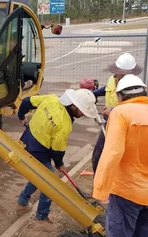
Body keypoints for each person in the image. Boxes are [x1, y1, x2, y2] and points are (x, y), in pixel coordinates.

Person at [93, 74, 148, 237]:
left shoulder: (120, 113)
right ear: (145, 94)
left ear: (120, 96)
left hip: (125, 192)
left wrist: (101, 189)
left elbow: (113, 152)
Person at [15, 89, 98, 231]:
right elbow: (57, 150)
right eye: (83, 111)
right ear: (75, 106)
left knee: (38, 176)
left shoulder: (51, 99)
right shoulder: (65, 124)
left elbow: (27, 101)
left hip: (27, 140)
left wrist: (21, 116)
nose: (83, 114)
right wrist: (59, 164)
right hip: (39, 150)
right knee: (50, 183)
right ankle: (41, 219)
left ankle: (22, 204)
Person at [91, 53, 143, 174]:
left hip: (124, 127)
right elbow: (106, 88)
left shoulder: (135, 87)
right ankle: (98, 182)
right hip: (109, 123)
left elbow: (134, 108)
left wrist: (113, 110)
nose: (123, 77)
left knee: (117, 157)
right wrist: (93, 93)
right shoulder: (113, 79)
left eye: (126, 74)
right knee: (98, 157)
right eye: (121, 74)